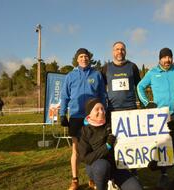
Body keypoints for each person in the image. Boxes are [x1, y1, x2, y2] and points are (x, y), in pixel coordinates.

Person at [137, 47, 174, 189]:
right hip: (161, 114)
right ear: (159, 59)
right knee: (163, 143)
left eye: (169, 57)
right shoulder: (152, 73)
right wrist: (147, 103)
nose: (167, 60)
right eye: (164, 57)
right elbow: (140, 87)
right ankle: (163, 175)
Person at [60, 48, 107, 190]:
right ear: (77, 59)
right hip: (76, 117)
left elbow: (102, 95)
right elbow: (64, 96)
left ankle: (92, 178)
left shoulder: (96, 74)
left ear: (89, 58)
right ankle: (75, 180)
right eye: (81, 56)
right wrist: (62, 114)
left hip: (94, 118)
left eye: (86, 56)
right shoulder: (70, 76)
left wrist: (105, 112)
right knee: (76, 150)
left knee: (93, 148)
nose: (84, 59)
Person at [78, 98, 143, 190]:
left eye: (102, 109)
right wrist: (107, 146)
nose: (101, 112)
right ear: (89, 115)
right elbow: (86, 158)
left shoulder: (113, 123)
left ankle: (113, 182)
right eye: (97, 109)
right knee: (102, 166)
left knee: (137, 188)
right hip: (96, 167)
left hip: (116, 167)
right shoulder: (84, 131)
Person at [101, 41, 141, 177]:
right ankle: (114, 172)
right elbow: (100, 88)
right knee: (114, 141)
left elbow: (139, 87)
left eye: (122, 49)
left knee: (132, 141)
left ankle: (134, 171)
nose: (120, 52)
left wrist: (143, 104)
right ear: (113, 52)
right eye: (117, 49)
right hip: (113, 111)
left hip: (131, 109)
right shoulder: (106, 68)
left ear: (126, 51)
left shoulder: (132, 67)